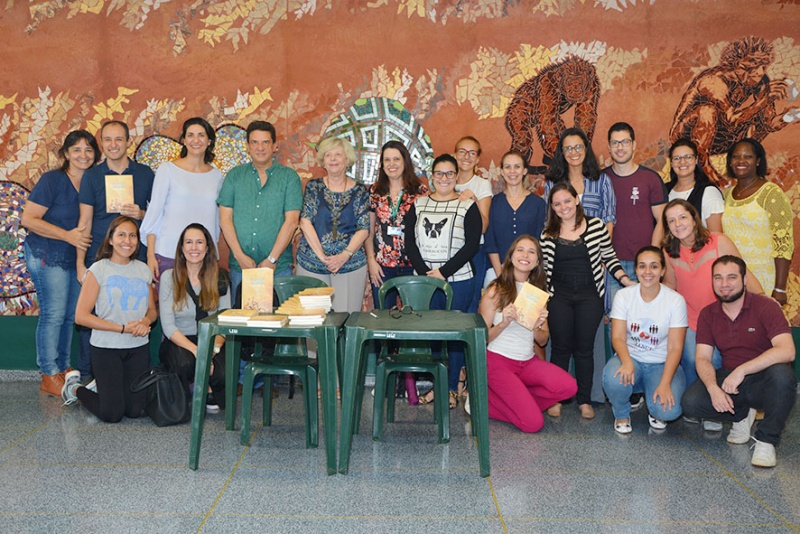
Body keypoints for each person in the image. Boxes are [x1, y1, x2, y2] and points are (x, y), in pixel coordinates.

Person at [682, 256, 796, 468]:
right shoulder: (708, 314)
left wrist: (742, 370)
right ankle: (741, 415)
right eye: (718, 278)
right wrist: (713, 387)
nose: (724, 284)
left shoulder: (766, 307)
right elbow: (702, 357)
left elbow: (788, 351)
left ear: (744, 280)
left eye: (732, 277)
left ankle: (766, 440)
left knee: (784, 376)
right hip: (730, 378)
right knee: (691, 402)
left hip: (764, 378)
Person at [540, 183, 633, 419]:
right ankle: (557, 398)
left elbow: (609, 256)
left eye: (567, 201)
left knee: (584, 349)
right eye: (557, 203)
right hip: (558, 296)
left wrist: (624, 279)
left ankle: (584, 400)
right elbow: (543, 270)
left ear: (577, 200)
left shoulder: (596, 226)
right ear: (552, 207)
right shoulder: (547, 233)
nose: (563, 207)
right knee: (560, 349)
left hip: (589, 296)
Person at [21, 129, 99, 397]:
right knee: (53, 314)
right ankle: (48, 373)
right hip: (46, 252)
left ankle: (64, 368)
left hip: (75, 257)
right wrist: (67, 235)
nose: (83, 155)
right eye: (76, 149)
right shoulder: (52, 180)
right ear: (66, 154)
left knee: (69, 315)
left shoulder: (92, 181)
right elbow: (28, 219)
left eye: (88, 149)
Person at [75, 120, 155, 380]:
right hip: (98, 257)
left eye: (118, 139)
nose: (113, 145)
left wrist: (140, 213)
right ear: (102, 143)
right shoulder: (92, 176)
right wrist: (80, 262)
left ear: (128, 141)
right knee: (95, 316)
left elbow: (155, 219)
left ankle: (135, 372)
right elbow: (84, 221)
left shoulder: (145, 174)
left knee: (134, 309)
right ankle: (90, 376)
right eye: (107, 140)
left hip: (135, 255)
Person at [544, 127, 617, 405]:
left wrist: (597, 252)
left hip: (593, 270)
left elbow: (609, 219)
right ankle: (558, 397)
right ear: (561, 153)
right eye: (567, 148)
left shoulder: (601, 181)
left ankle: (589, 397)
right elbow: (549, 224)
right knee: (560, 345)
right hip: (562, 272)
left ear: (586, 149)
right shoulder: (554, 183)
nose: (573, 153)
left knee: (589, 344)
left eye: (578, 147)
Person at [62, 216, 157, 423]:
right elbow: (81, 316)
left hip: (138, 348)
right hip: (106, 348)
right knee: (112, 414)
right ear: (111, 240)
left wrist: (145, 322)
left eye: (133, 236)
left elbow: (152, 310)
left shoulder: (143, 270)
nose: (127, 241)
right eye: (121, 235)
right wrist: (121, 328)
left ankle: (106, 388)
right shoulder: (98, 269)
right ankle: (76, 388)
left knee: (134, 411)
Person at [405, 154, 481, 409]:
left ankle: (450, 388)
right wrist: (427, 274)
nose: (444, 178)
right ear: (431, 176)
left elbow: (471, 245)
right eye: (439, 173)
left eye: (450, 173)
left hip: (458, 281)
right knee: (432, 337)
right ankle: (437, 386)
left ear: (457, 176)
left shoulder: (467, 206)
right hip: (424, 283)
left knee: (454, 337)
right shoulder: (418, 204)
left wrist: (444, 272)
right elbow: (409, 242)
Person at [661, 199, 763, 391]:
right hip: (691, 320)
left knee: (722, 360)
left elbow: (743, 272)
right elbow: (670, 286)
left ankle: (726, 402)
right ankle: (700, 405)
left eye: (682, 217)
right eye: (671, 221)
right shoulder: (668, 251)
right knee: (692, 359)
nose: (678, 224)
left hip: (723, 316)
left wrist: (763, 297)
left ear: (694, 219)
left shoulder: (718, 241)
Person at [478, 234, 577, 432]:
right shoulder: (495, 290)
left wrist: (535, 325)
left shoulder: (537, 293)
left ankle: (519, 400)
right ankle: (482, 405)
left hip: (527, 362)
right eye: (520, 250)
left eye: (531, 252)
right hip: (498, 362)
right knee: (533, 424)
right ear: (511, 257)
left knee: (569, 386)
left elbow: (543, 340)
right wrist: (504, 323)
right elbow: (481, 338)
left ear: (537, 262)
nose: (525, 255)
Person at [602, 246, 688, 434]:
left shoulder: (675, 300)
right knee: (613, 378)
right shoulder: (624, 296)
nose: (647, 272)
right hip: (631, 359)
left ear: (663, 270)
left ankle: (654, 405)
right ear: (635, 269)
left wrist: (665, 384)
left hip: (661, 364)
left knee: (668, 411)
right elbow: (617, 337)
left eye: (654, 266)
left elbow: (675, 347)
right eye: (642, 266)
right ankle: (622, 414)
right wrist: (626, 362)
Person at [218, 120, 302, 297]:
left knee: (281, 322)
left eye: (265, 142)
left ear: (275, 146)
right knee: (243, 320)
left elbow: (292, 221)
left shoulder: (289, 178)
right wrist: (240, 256)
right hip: (241, 268)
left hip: (278, 268)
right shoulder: (234, 176)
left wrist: (272, 259)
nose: (260, 147)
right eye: (255, 142)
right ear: (248, 146)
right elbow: (225, 220)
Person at [140, 117, 224, 281]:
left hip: (203, 258)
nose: (196, 140)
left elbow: (216, 222)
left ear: (209, 141)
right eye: (190, 135)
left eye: (201, 135)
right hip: (168, 254)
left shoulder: (216, 176)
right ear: (184, 140)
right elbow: (154, 215)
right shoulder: (168, 170)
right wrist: (150, 256)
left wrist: (212, 253)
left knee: (204, 306)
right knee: (168, 305)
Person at [158, 223, 230, 413]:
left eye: (199, 242)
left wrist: (211, 352)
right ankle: (184, 399)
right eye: (188, 242)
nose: (194, 248)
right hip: (180, 339)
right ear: (181, 248)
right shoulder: (169, 277)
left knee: (222, 372)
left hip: (213, 340)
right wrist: (197, 352)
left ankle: (211, 389)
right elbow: (168, 325)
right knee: (185, 362)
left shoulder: (220, 277)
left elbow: (225, 322)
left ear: (207, 248)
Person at [296, 137, 370, 312]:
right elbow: (305, 222)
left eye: (338, 154)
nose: (333, 159)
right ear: (323, 160)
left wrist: (344, 256)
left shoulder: (360, 190)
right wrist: (322, 257)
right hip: (312, 263)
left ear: (347, 159)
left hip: (350, 265)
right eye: (328, 155)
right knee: (313, 323)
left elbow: (364, 228)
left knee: (346, 321)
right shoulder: (314, 187)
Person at [721, 138, 793, 305]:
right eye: (736, 157)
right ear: (730, 161)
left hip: (764, 280)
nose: (741, 161)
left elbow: (783, 244)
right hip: (733, 280)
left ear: (758, 161)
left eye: (748, 157)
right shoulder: (726, 195)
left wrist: (780, 288)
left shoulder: (771, 194)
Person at [603, 122, 668, 301]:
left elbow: (662, 220)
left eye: (625, 142)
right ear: (609, 147)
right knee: (615, 320)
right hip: (610, 264)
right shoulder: (601, 180)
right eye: (615, 143)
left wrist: (652, 259)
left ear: (634, 145)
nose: (620, 147)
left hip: (643, 265)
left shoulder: (650, 179)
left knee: (645, 320)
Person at [366, 140, 429, 310]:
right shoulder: (375, 191)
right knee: (383, 320)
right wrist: (371, 261)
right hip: (382, 266)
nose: (391, 164)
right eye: (387, 160)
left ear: (405, 162)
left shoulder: (419, 191)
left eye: (396, 159)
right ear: (382, 164)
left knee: (414, 318)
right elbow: (369, 231)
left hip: (413, 265)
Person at [485, 150, 546, 286]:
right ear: (501, 171)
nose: (512, 171)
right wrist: (501, 275)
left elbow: (537, 242)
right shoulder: (494, 202)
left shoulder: (538, 204)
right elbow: (490, 242)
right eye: (507, 167)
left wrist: (526, 274)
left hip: (528, 273)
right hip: (497, 272)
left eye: (517, 167)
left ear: (524, 171)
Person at [453, 136, 492, 312]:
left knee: (471, 302)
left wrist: (474, 201)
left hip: (475, 251)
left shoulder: (482, 184)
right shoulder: (445, 182)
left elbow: (483, 227)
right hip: (449, 251)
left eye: (472, 153)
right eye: (462, 151)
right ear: (455, 155)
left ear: (477, 159)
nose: (466, 157)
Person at [665, 138, 724, 233]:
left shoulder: (708, 192)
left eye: (688, 157)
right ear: (671, 163)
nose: (682, 162)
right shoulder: (664, 190)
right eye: (677, 158)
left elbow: (717, 236)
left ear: (696, 160)